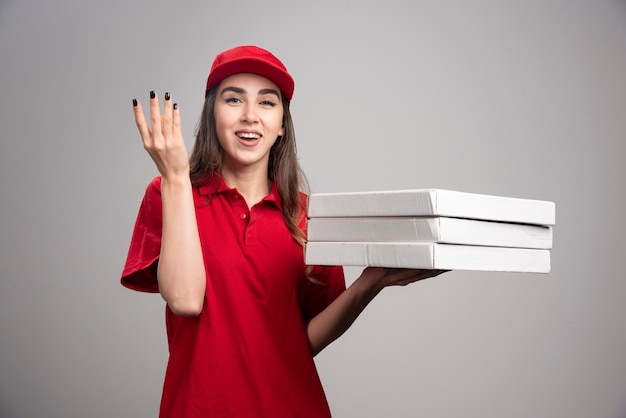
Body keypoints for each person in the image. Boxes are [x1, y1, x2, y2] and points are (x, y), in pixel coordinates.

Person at [121, 45, 446, 417]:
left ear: (281, 126)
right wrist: (176, 176)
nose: (250, 116)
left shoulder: (308, 216)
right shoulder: (169, 192)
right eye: (233, 99)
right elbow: (185, 300)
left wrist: (368, 283)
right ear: (212, 114)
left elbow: (300, 341)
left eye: (267, 103)